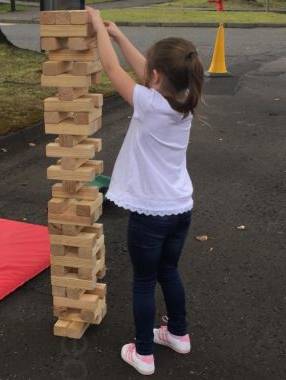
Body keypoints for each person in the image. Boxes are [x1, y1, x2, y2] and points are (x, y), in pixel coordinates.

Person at [86, 6, 204, 376]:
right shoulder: (184, 100)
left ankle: (143, 353)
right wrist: (119, 35)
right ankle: (179, 334)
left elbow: (112, 70)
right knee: (168, 271)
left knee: (142, 281)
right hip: (180, 209)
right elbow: (144, 72)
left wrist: (99, 28)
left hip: (151, 215)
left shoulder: (150, 103)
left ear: (156, 77)